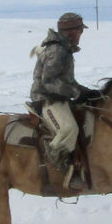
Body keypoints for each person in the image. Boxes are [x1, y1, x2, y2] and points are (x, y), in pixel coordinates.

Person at [29, 12, 102, 189]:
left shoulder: (65, 49)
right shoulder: (57, 51)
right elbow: (49, 82)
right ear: (71, 32)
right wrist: (76, 94)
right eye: (80, 31)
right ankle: (54, 165)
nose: (81, 35)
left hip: (59, 97)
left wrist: (88, 93)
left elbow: (67, 82)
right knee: (69, 128)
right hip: (47, 99)